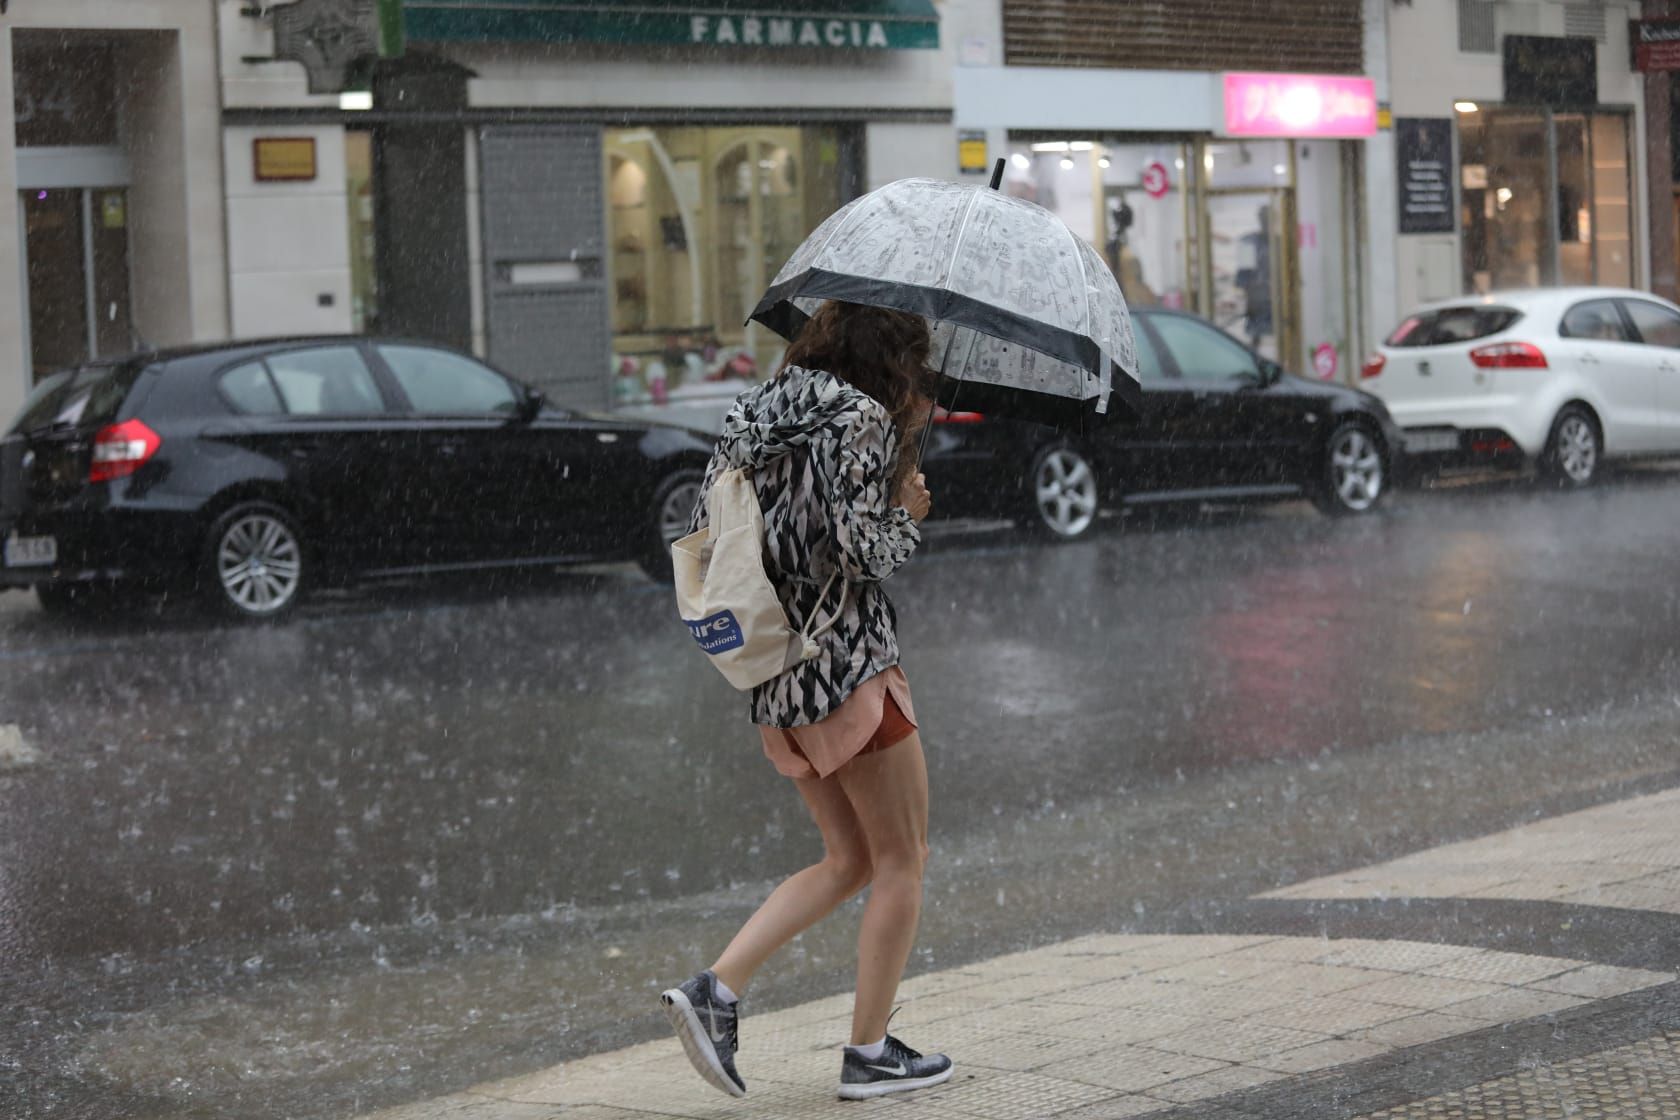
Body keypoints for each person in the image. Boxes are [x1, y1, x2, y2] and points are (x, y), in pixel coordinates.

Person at [659, 300, 951, 1102]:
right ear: (890, 359)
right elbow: (860, 551)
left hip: (779, 672)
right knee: (904, 860)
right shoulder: (858, 419)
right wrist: (908, 509)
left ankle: (716, 992)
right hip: (849, 665)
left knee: (850, 858)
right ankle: (870, 1053)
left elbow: (714, 531)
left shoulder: (754, 413)